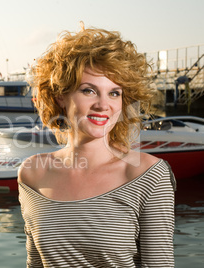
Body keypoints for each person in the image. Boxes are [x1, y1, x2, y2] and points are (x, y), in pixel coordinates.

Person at [18, 26, 176, 267]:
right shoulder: (32, 173)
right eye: (89, 90)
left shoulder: (148, 176)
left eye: (114, 93)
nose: (103, 105)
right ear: (60, 95)